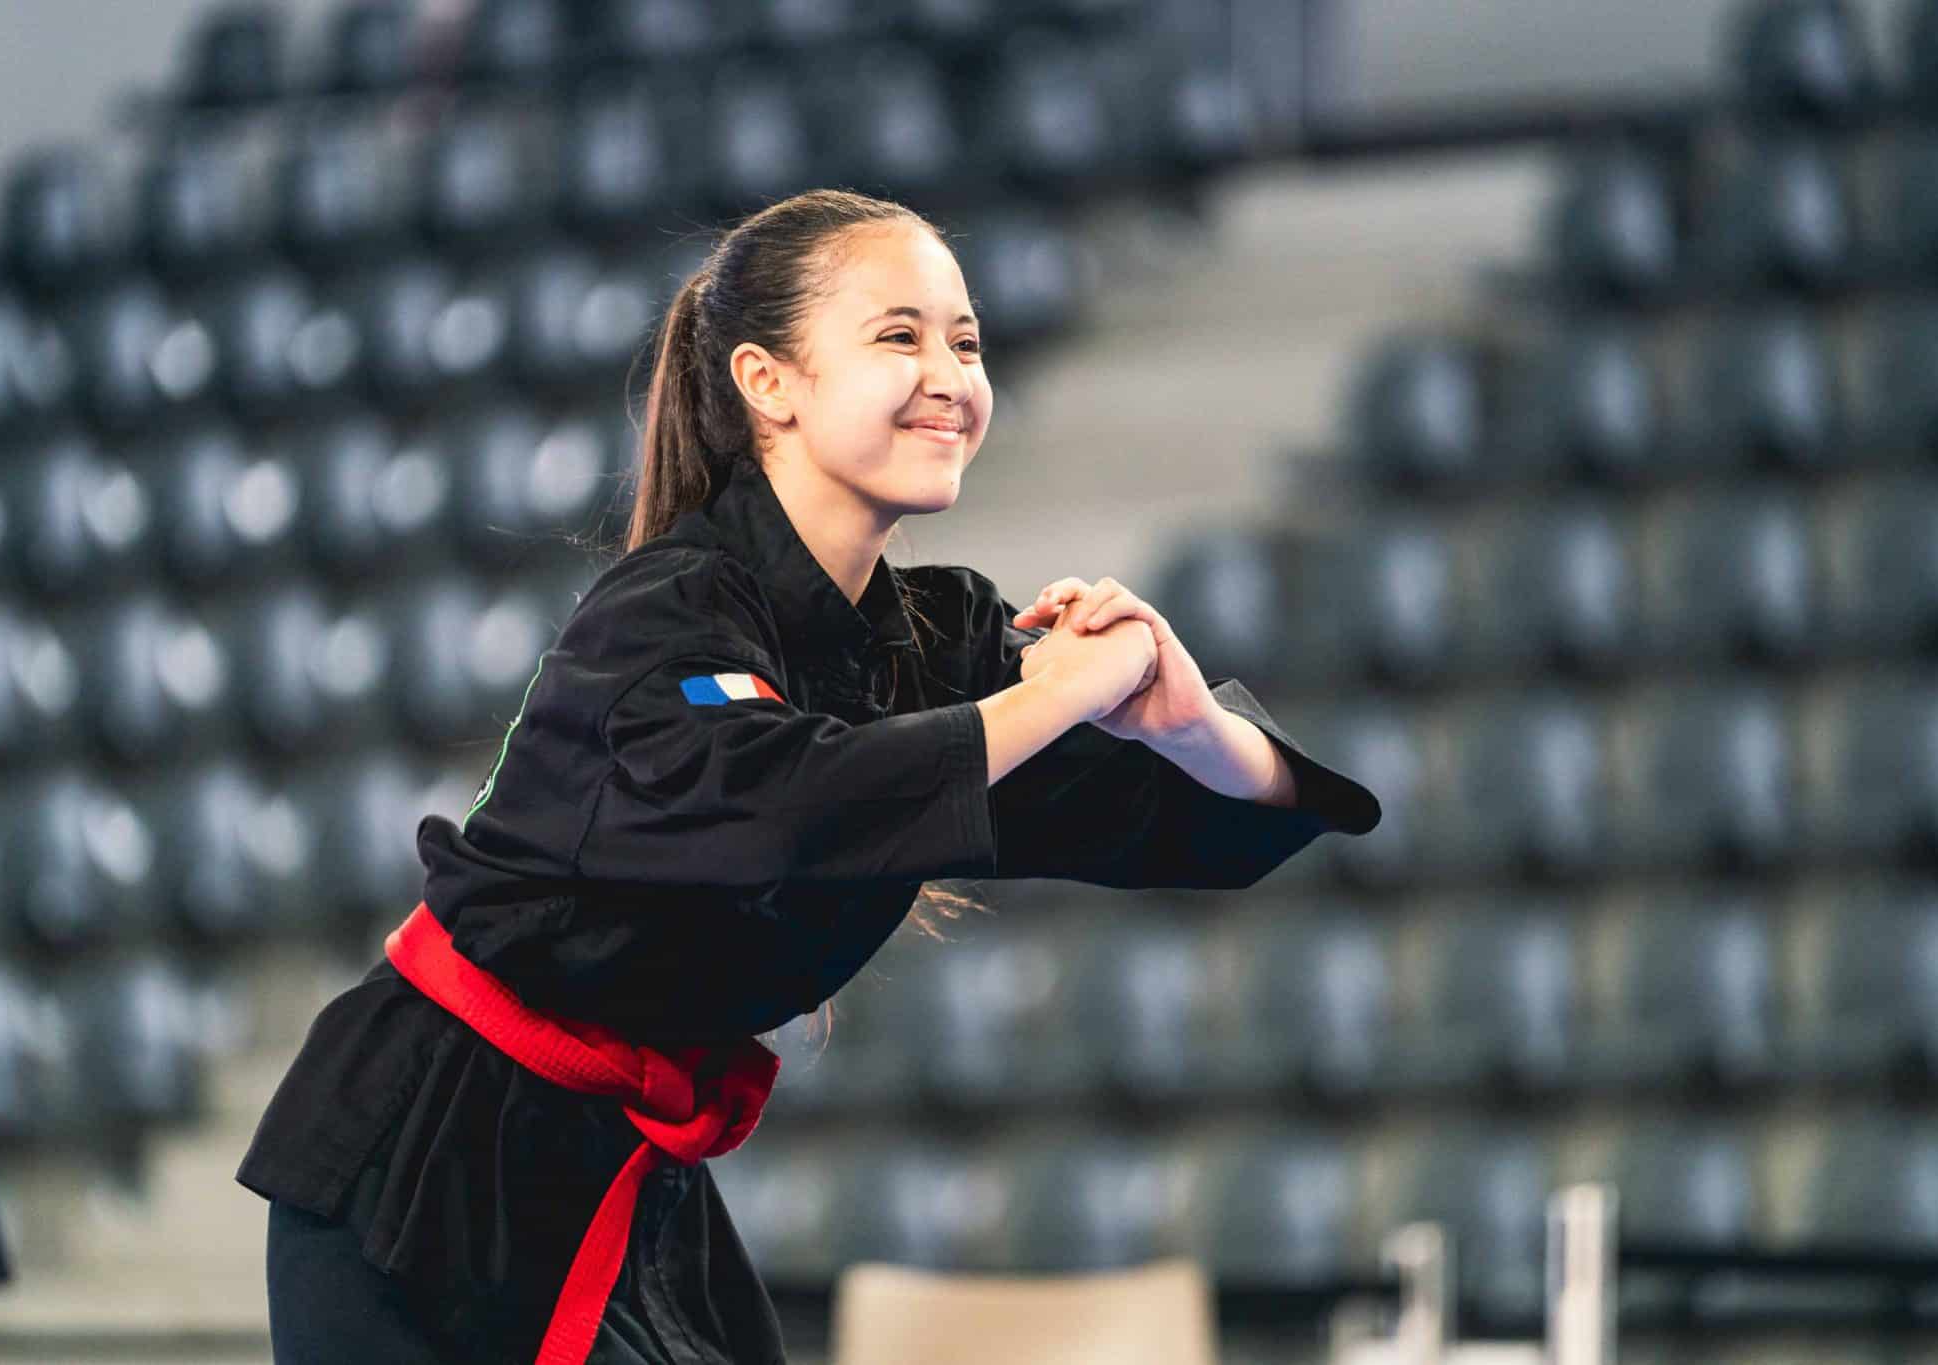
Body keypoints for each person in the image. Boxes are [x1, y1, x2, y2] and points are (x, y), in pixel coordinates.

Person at [235, 187, 1381, 1364]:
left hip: (620, 1165)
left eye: (965, 342)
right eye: (898, 335)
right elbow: (785, 807)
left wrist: (1187, 725)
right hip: (426, 1165)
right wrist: (1054, 696)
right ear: (767, 381)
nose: (947, 374)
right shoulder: (662, 614)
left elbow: (1186, 828)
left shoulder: (936, 641)